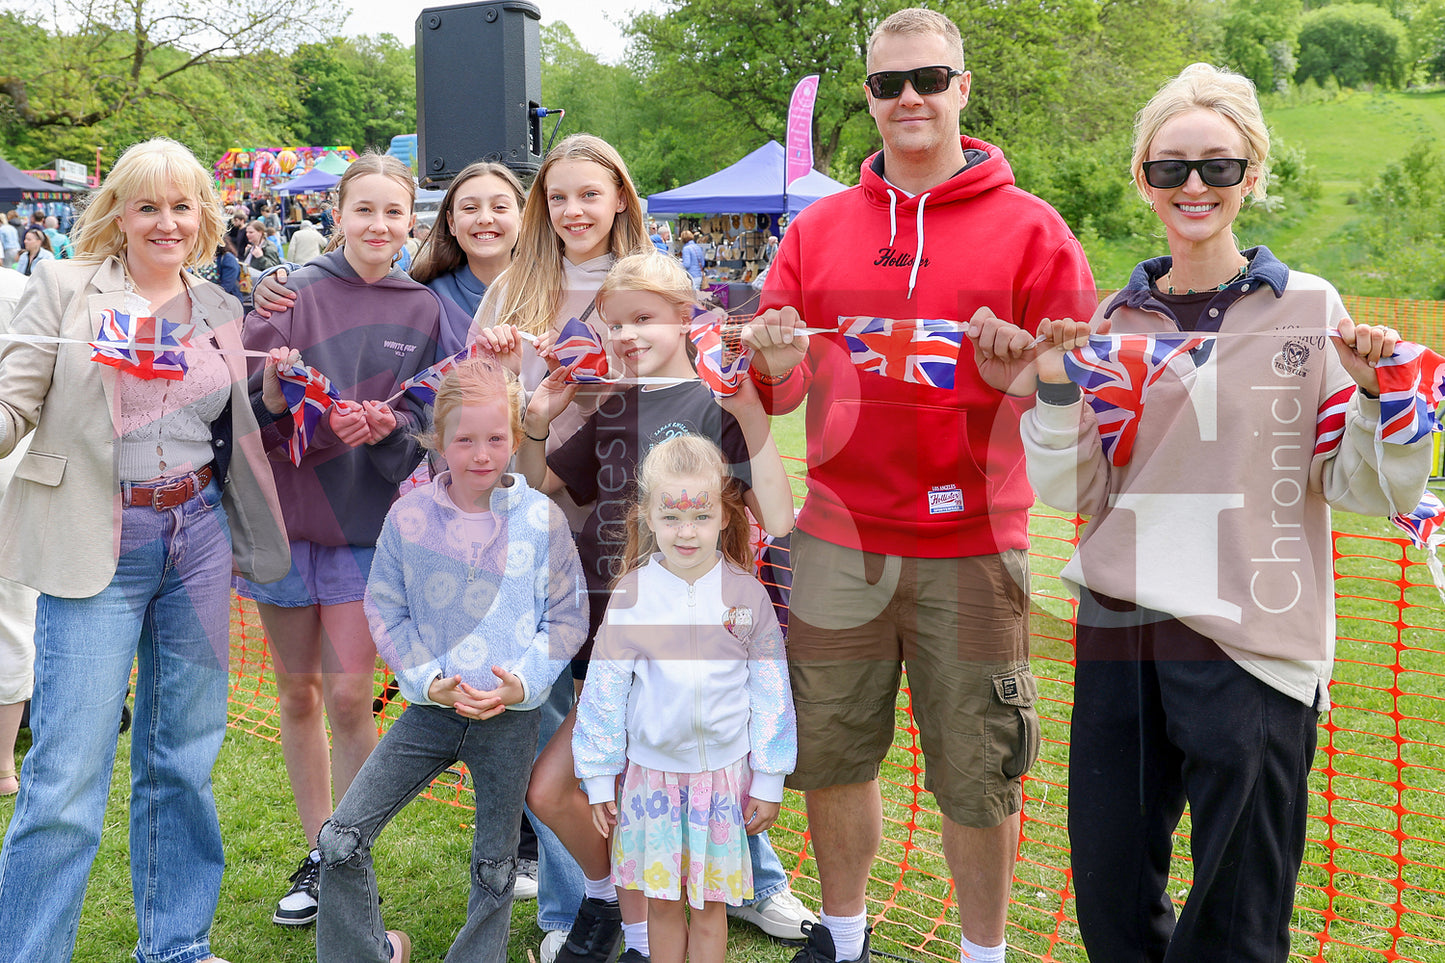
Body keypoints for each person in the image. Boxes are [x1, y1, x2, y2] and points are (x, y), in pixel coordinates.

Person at [987, 63, 1432, 962]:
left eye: (1218, 167)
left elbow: (1361, 490)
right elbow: (1074, 490)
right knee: (1111, 892)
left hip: (1253, 636)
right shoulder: (1116, 318)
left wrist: (1382, 399)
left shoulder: (1309, 309)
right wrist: (1052, 390)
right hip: (1121, 624)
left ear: (1251, 176)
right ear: (1142, 179)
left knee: (1236, 910)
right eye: (1172, 167)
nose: (1194, 186)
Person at [741, 8, 1098, 962]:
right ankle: (845, 935)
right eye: (890, 82)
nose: (909, 97)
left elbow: (1076, 392)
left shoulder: (1034, 231)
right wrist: (771, 354)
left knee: (979, 773)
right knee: (832, 754)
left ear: (961, 89)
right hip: (837, 542)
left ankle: (982, 951)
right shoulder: (817, 229)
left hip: (975, 545)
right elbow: (777, 383)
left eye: (929, 79)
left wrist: (1026, 366)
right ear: (866, 96)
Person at [474, 143, 812, 960]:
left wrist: (748, 412)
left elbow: (775, 508)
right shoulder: (610, 405)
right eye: (615, 323)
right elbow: (544, 489)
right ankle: (622, 914)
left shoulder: (713, 401)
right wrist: (531, 419)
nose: (627, 337)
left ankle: (696, 908)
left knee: (684, 797)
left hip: (696, 648)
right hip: (606, 629)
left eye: (644, 321)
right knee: (563, 788)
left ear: (687, 320)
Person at [0, 136, 289, 963]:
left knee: (182, 762)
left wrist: (274, 389)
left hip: (195, 535)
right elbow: (12, 410)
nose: (166, 221)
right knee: (63, 779)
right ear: (118, 213)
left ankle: (178, 945)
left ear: (204, 215)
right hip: (99, 538)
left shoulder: (221, 309)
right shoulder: (61, 287)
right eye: (148, 205)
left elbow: (226, 430)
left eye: (182, 205)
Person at [235, 153, 452, 929]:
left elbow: (430, 419)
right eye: (364, 210)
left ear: (410, 222)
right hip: (285, 529)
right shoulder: (291, 292)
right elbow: (248, 412)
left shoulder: (420, 306)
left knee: (353, 696)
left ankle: (347, 853)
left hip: (365, 528)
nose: (379, 226)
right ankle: (315, 852)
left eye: (393, 213)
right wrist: (276, 394)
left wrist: (388, 424)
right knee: (297, 694)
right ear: (338, 213)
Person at [316, 357, 587, 963]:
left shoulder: (543, 522)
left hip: (509, 721)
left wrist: (521, 685)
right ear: (437, 442)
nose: (481, 454)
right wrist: (427, 681)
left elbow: (566, 618)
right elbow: (386, 606)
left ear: (516, 440)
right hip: (430, 713)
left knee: (495, 866)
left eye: (496, 438)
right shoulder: (410, 518)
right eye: (464, 439)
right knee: (340, 839)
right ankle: (364, 953)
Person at [572, 433, 797, 963]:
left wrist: (769, 777)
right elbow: (604, 692)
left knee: (712, 909)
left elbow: (771, 691)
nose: (686, 532)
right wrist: (600, 775)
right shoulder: (632, 596)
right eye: (671, 517)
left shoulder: (747, 596)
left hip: (722, 781)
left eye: (699, 516)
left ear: (723, 514)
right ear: (648, 517)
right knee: (664, 905)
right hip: (651, 778)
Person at [0, 263, 34, 800]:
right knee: (13, 611)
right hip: (21, 456)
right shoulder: (23, 286)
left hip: (14, 457)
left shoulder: (22, 287)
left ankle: (4, 763)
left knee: (12, 610)